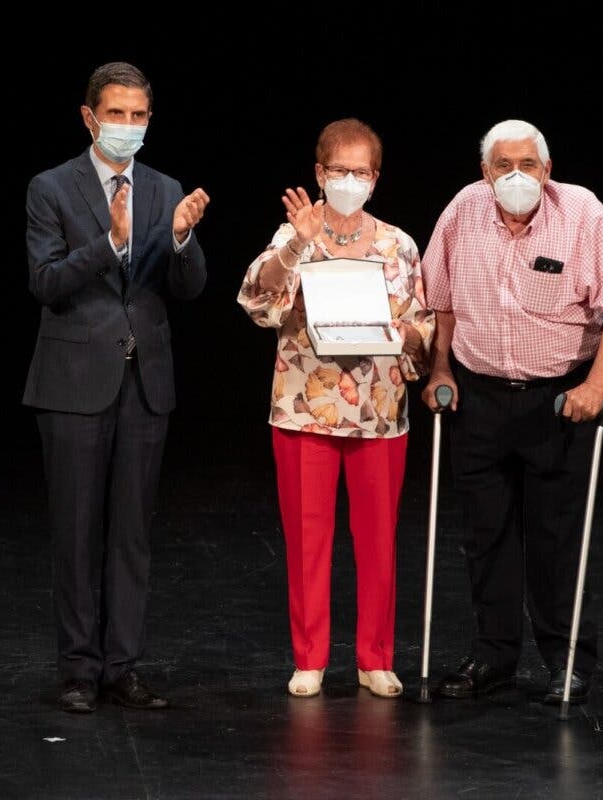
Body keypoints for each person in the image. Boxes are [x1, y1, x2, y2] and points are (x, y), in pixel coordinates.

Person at [420, 119, 603, 705]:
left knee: (554, 538)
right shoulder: (463, 211)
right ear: (484, 171)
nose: (515, 176)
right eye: (502, 165)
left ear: (547, 171)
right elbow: (439, 301)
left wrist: (597, 387)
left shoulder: (582, 213)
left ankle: (567, 659)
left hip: (558, 400)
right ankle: (493, 655)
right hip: (479, 395)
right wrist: (440, 370)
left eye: (527, 165)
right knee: (485, 535)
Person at [23, 62, 210, 713]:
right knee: (77, 530)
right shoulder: (52, 188)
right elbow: (45, 283)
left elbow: (186, 289)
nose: (128, 126)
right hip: (73, 383)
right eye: (117, 114)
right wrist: (110, 242)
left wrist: (183, 236)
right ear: (89, 117)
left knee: (131, 532)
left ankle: (122, 666)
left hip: (144, 382)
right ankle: (78, 669)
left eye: (139, 116)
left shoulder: (164, 188)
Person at [237, 118, 434, 699]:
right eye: (339, 171)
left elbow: (423, 322)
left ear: (375, 178)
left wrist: (406, 336)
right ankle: (310, 657)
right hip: (304, 409)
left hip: (379, 411)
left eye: (361, 172)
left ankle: (376, 657)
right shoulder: (293, 235)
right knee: (307, 536)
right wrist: (298, 243)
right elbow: (256, 301)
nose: (350, 180)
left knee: (378, 538)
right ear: (320, 174)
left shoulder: (399, 244)